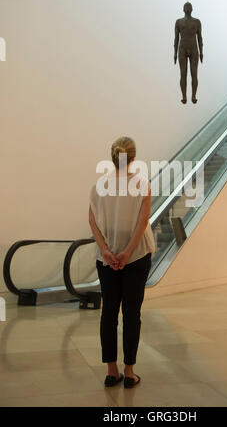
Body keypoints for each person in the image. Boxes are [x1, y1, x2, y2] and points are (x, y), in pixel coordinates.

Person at [89, 136, 156, 388]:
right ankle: (129, 372)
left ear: (112, 155)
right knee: (131, 313)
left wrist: (106, 250)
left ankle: (111, 370)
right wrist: (127, 252)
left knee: (108, 313)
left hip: (106, 260)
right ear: (133, 157)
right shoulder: (142, 184)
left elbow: (92, 221)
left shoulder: (98, 186)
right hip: (137, 256)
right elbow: (143, 221)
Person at [174, 2, 204, 104]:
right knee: (183, 73)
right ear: (183, 9)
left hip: (194, 48)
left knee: (194, 73)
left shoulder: (197, 22)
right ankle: (184, 96)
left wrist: (201, 52)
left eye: (189, 7)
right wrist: (174, 53)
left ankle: (194, 95)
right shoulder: (178, 22)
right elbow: (176, 38)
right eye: (186, 7)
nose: (187, 8)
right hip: (182, 48)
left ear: (192, 9)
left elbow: (200, 38)